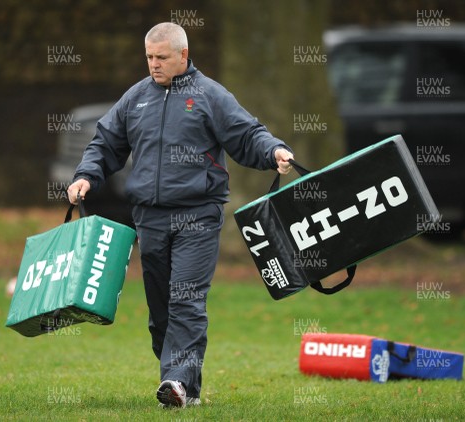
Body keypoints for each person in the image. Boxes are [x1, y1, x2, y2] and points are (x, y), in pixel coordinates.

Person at [67, 22, 294, 408]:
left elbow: (246, 133)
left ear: (183, 55)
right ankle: (185, 387)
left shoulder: (209, 95)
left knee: (186, 301)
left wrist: (274, 151)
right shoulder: (136, 97)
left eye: (162, 58)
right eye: (149, 58)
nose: (154, 65)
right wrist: (86, 176)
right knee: (160, 314)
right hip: (149, 218)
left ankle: (176, 382)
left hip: (198, 215)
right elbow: (106, 141)